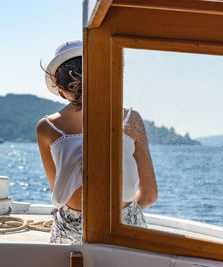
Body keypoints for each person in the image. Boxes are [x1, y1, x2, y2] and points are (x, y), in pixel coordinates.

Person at [36, 40, 158, 244]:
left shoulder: (47, 128)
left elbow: (59, 194)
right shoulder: (132, 119)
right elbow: (149, 195)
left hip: (70, 233)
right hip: (124, 229)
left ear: (60, 90)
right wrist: (120, 217)